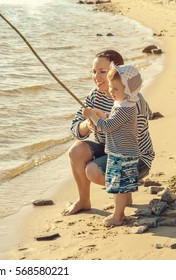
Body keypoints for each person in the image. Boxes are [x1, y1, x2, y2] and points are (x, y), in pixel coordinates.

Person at [62, 50, 154, 217]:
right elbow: (75, 129)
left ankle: (124, 192)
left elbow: (132, 138)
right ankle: (83, 200)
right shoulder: (94, 95)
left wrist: (102, 122)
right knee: (76, 150)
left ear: (116, 72)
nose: (97, 76)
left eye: (103, 72)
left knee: (93, 171)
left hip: (135, 155)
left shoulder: (133, 99)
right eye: (94, 71)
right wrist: (88, 124)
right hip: (110, 148)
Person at [82, 64, 141, 226]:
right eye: (110, 87)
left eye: (115, 89)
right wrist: (103, 115)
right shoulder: (123, 104)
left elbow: (107, 127)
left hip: (122, 153)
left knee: (119, 185)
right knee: (117, 183)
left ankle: (118, 216)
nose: (111, 92)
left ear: (128, 91)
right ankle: (119, 211)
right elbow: (114, 123)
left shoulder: (125, 109)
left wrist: (93, 116)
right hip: (121, 151)